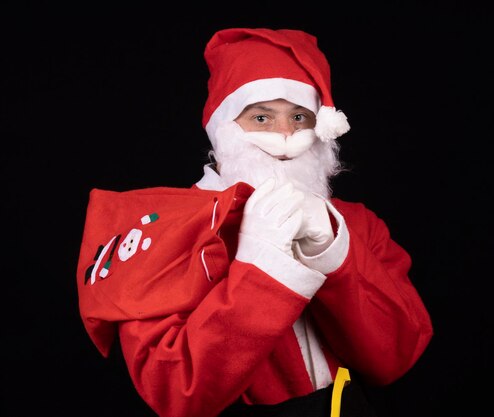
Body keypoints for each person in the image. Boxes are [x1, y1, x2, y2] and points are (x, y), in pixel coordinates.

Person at [76, 27, 433, 417]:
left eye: (300, 117)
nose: (284, 136)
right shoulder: (164, 231)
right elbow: (177, 395)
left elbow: (394, 360)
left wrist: (335, 257)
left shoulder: (355, 223)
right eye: (261, 117)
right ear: (224, 129)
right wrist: (261, 269)